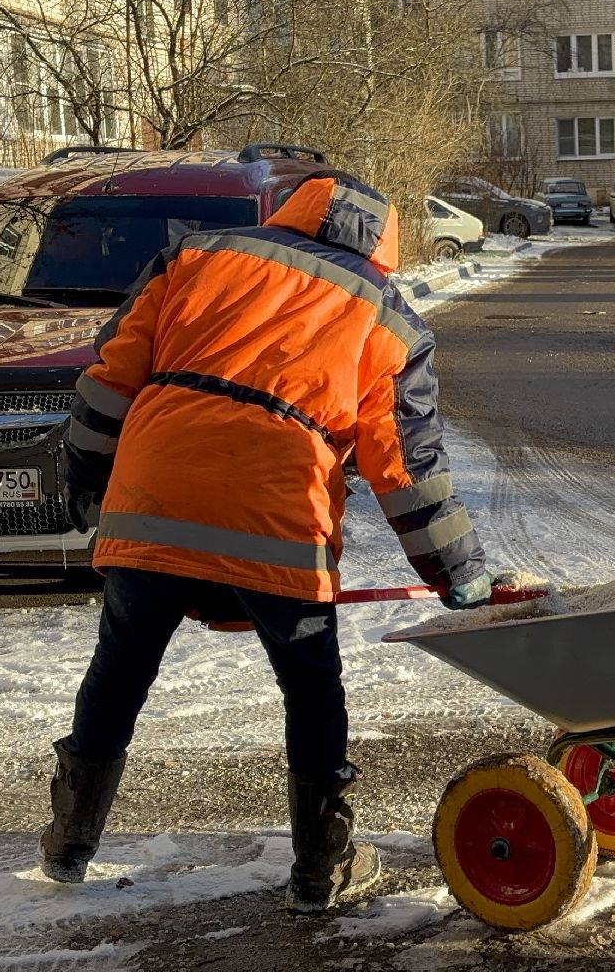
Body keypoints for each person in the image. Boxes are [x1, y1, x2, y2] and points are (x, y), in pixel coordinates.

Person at [43, 171, 493, 914]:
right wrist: (457, 571)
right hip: (280, 519)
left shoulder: (196, 256)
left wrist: (88, 482)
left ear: (294, 210)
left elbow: (109, 380)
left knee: (120, 669)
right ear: (383, 240)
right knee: (311, 688)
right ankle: (319, 869)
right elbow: (403, 464)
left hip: (154, 496)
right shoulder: (387, 315)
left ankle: (68, 845)